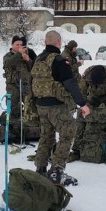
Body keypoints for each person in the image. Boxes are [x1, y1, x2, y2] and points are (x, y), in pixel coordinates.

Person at [31, 30, 90, 185]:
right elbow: (70, 83)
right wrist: (82, 104)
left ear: (45, 42)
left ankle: (41, 169)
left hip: (40, 105)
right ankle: (57, 171)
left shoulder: (38, 60)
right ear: (59, 42)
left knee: (46, 136)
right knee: (67, 133)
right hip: (56, 106)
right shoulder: (58, 60)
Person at [71, 65, 106, 162]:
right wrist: (84, 108)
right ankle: (76, 150)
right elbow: (82, 92)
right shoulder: (87, 74)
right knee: (80, 117)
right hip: (92, 98)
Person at [3, 36, 34, 119]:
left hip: (25, 84)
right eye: (17, 44)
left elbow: (32, 69)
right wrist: (19, 54)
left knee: (30, 105)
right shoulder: (8, 56)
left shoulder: (24, 55)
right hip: (12, 85)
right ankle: (14, 125)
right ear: (12, 45)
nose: (19, 46)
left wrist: (28, 61)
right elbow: (8, 63)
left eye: (21, 45)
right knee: (14, 107)